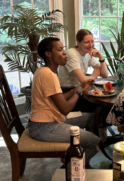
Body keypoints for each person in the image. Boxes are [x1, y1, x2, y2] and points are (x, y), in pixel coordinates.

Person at [28, 37, 101, 167]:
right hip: (44, 127)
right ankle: (68, 170)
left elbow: (60, 98)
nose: (64, 53)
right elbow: (65, 109)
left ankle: (82, 161)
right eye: (60, 50)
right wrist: (78, 92)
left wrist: (78, 88)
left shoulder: (45, 71)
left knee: (93, 118)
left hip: (50, 120)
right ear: (48, 54)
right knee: (95, 141)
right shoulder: (48, 75)